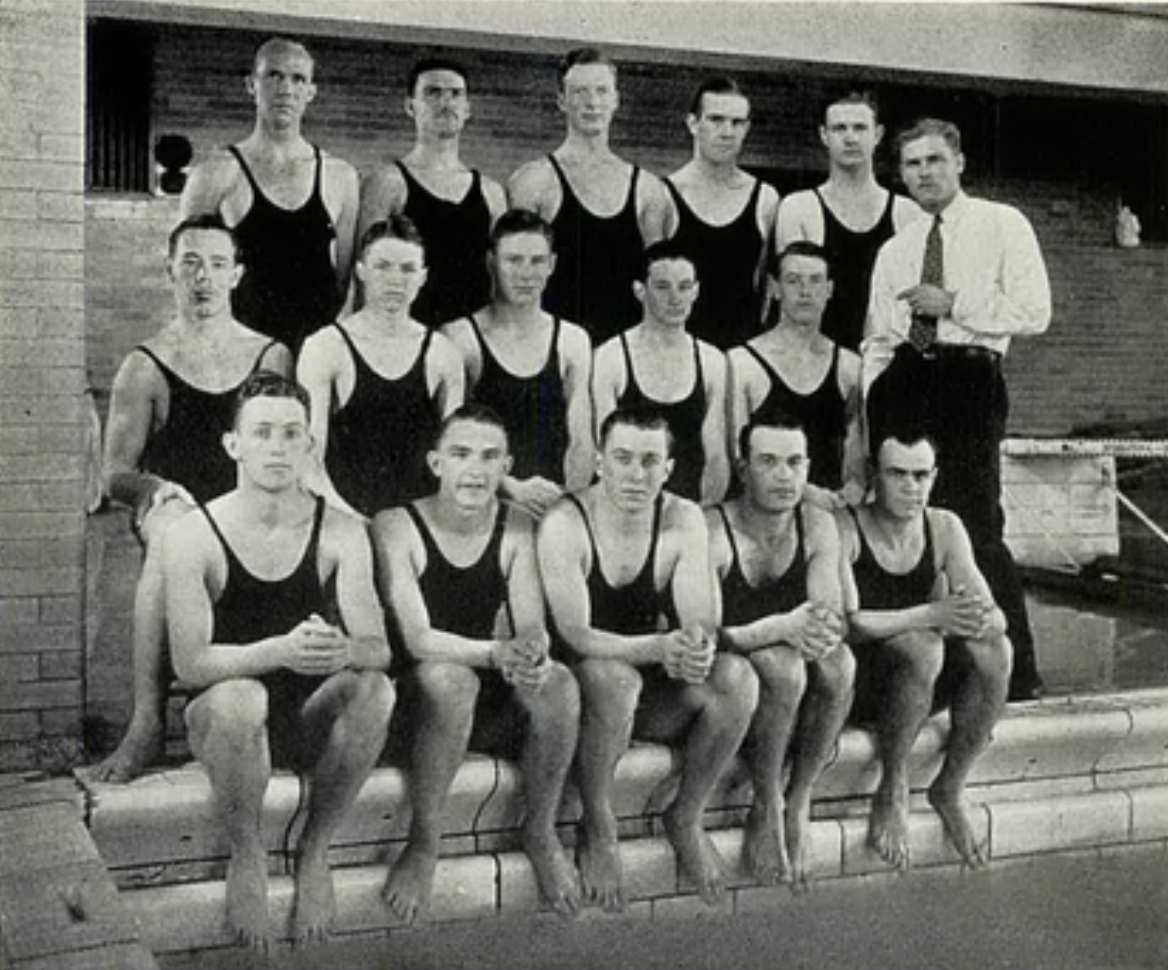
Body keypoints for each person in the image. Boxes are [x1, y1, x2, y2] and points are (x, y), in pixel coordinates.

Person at [163, 371, 394, 950]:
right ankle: (248, 852)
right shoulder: (195, 533)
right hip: (224, 719)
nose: (277, 446)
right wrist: (280, 651)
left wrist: (345, 650)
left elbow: (379, 648)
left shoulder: (339, 531)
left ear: (308, 445)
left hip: (306, 716)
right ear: (233, 445)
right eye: (262, 432)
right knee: (247, 696)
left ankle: (315, 849)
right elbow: (189, 664)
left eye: (292, 434)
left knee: (376, 690)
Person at [92, 215, 293, 784]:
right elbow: (115, 475)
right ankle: (147, 724)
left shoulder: (270, 356)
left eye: (217, 264)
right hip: (176, 508)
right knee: (175, 535)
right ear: (170, 273)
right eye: (190, 264)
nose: (203, 277)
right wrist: (154, 489)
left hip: (250, 506)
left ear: (237, 275)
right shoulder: (145, 364)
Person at [537, 406, 759, 911]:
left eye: (649, 461)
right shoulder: (565, 522)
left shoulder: (682, 518)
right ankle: (598, 821)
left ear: (669, 468)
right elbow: (574, 634)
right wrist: (659, 649)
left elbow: (698, 617)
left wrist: (693, 650)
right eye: (622, 459)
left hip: (647, 685)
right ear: (599, 461)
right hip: (581, 692)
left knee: (736, 678)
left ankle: (687, 813)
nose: (635, 475)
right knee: (614, 680)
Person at [863, 117, 1051, 700]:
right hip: (904, 381)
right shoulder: (897, 248)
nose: (925, 173)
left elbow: (1034, 312)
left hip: (968, 379)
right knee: (907, 520)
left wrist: (953, 304)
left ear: (960, 162)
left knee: (975, 522)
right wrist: (870, 414)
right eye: (913, 165)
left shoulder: (1002, 224)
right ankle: (928, 674)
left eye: (935, 160)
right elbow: (876, 338)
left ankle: (1013, 675)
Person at [372, 405, 581, 923]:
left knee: (560, 683)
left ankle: (540, 829)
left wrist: (531, 655)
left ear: (505, 465)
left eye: (490, 457)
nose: (475, 469)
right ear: (436, 462)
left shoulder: (516, 528)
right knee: (452, 678)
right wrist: (497, 653)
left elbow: (530, 623)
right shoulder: (395, 525)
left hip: (480, 684)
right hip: (414, 701)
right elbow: (418, 639)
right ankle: (423, 843)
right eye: (461, 454)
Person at [837, 431, 1012, 871]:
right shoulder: (848, 525)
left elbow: (995, 614)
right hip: (859, 683)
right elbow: (849, 623)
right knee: (925, 646)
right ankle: (893, 786)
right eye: (897, 474)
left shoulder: (944, 526)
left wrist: (980, 619)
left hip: (918, 686)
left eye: (920, 476)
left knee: (997, 650)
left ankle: (949, 787)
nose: (910, 487)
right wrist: (932, 613)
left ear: (933, 477)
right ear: (875, 474)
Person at [708, 415, 854, 889]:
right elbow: (702, 633)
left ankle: (801, 795)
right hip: (725, 667)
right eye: (768, 462)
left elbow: (828, 611)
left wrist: (821, 632)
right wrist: (777, 628)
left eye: (794, 463)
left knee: (841, 664)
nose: (784, 476)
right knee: (784, 666)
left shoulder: (816, 524)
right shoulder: (713, 527)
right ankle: (767, 801)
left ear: (808, 468)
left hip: (788, 656)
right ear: (742, 467)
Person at [179, 37, 359, 352]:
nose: (285, 89)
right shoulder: (215, 173)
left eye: (298, 78)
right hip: (239, 352)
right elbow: (186, 271)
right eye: (274, 75)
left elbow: (343, 282)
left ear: (310, 92)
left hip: (312, 353)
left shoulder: (339, 175)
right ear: (251, 85)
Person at [296, 216, 465, 519]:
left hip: (417, 525)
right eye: (383, 266)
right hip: (344, 519)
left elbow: (456, 464)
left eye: (408, 269)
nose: (395, 280)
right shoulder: (324, 347)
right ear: (361, 271)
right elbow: (310, 467)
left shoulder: (443, 354)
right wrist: (358, 526)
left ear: (423, 276)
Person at [507, 47, 671, 345]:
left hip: (625, 355)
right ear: (562, 101)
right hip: (553, 349)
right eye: (580, 91)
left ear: (616, 100)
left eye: (601, 91)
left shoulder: (647, 189)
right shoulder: (534, 181)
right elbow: (515, 280)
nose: (592, 102)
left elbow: (660, 284)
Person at [442, 209, 593, 519]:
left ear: (552, 265)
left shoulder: (572, 340)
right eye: (513, 260)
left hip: (554, 503)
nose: (526, 274)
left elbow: (581, 440)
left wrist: (568, 503)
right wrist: (511, 488)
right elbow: (450, 440)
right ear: (491, 263)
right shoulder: (461, 338)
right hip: (485, 499)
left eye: (537, 261)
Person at [357, 58, 507, 327]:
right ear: (410, 106)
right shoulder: (388, 182)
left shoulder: (491, 192)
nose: (445, 102)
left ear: (468, 109)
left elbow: (502, 282)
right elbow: (366, 280)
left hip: (474, 344)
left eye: (455, 94)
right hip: (409, 341)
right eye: (433, 92)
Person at [776, 91, 922, 353]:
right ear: (824, 135)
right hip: (817, 360)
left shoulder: (907, 213)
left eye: (860, 127)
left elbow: (909, 305)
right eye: (839, 128)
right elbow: (794, 301)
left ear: (877, 134)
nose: (850, 137)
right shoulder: (799, 208)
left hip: (884, 360)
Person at [592, 240, 730, 505]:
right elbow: (607, 454)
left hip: (692, 507)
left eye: (684, 287)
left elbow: (716, 458)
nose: (675, 298)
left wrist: (701, 514)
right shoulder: (611, 357)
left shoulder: (712, 361)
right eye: (663, 287)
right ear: (640, 290)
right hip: (626, 505)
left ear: (696, 291)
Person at [728, 242, 864, 509]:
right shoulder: (742, 362)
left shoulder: (850, 366)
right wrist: (803, 492)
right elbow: (737, 456)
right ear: (775, 288)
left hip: (832, 510)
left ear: (829, 290)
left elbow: (856, 452)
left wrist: (853, 489)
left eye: (815, 281)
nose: (805, 292)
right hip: (766, 510)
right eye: (793, 281)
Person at [663, 77, 779, 351]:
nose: (727, 132)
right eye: (716, 120)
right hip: (680, 353)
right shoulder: (664, 195)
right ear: (693, 123)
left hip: (742, 351)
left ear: (747, 128)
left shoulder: (765, 198)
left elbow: (766, 287)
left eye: (737, 123)